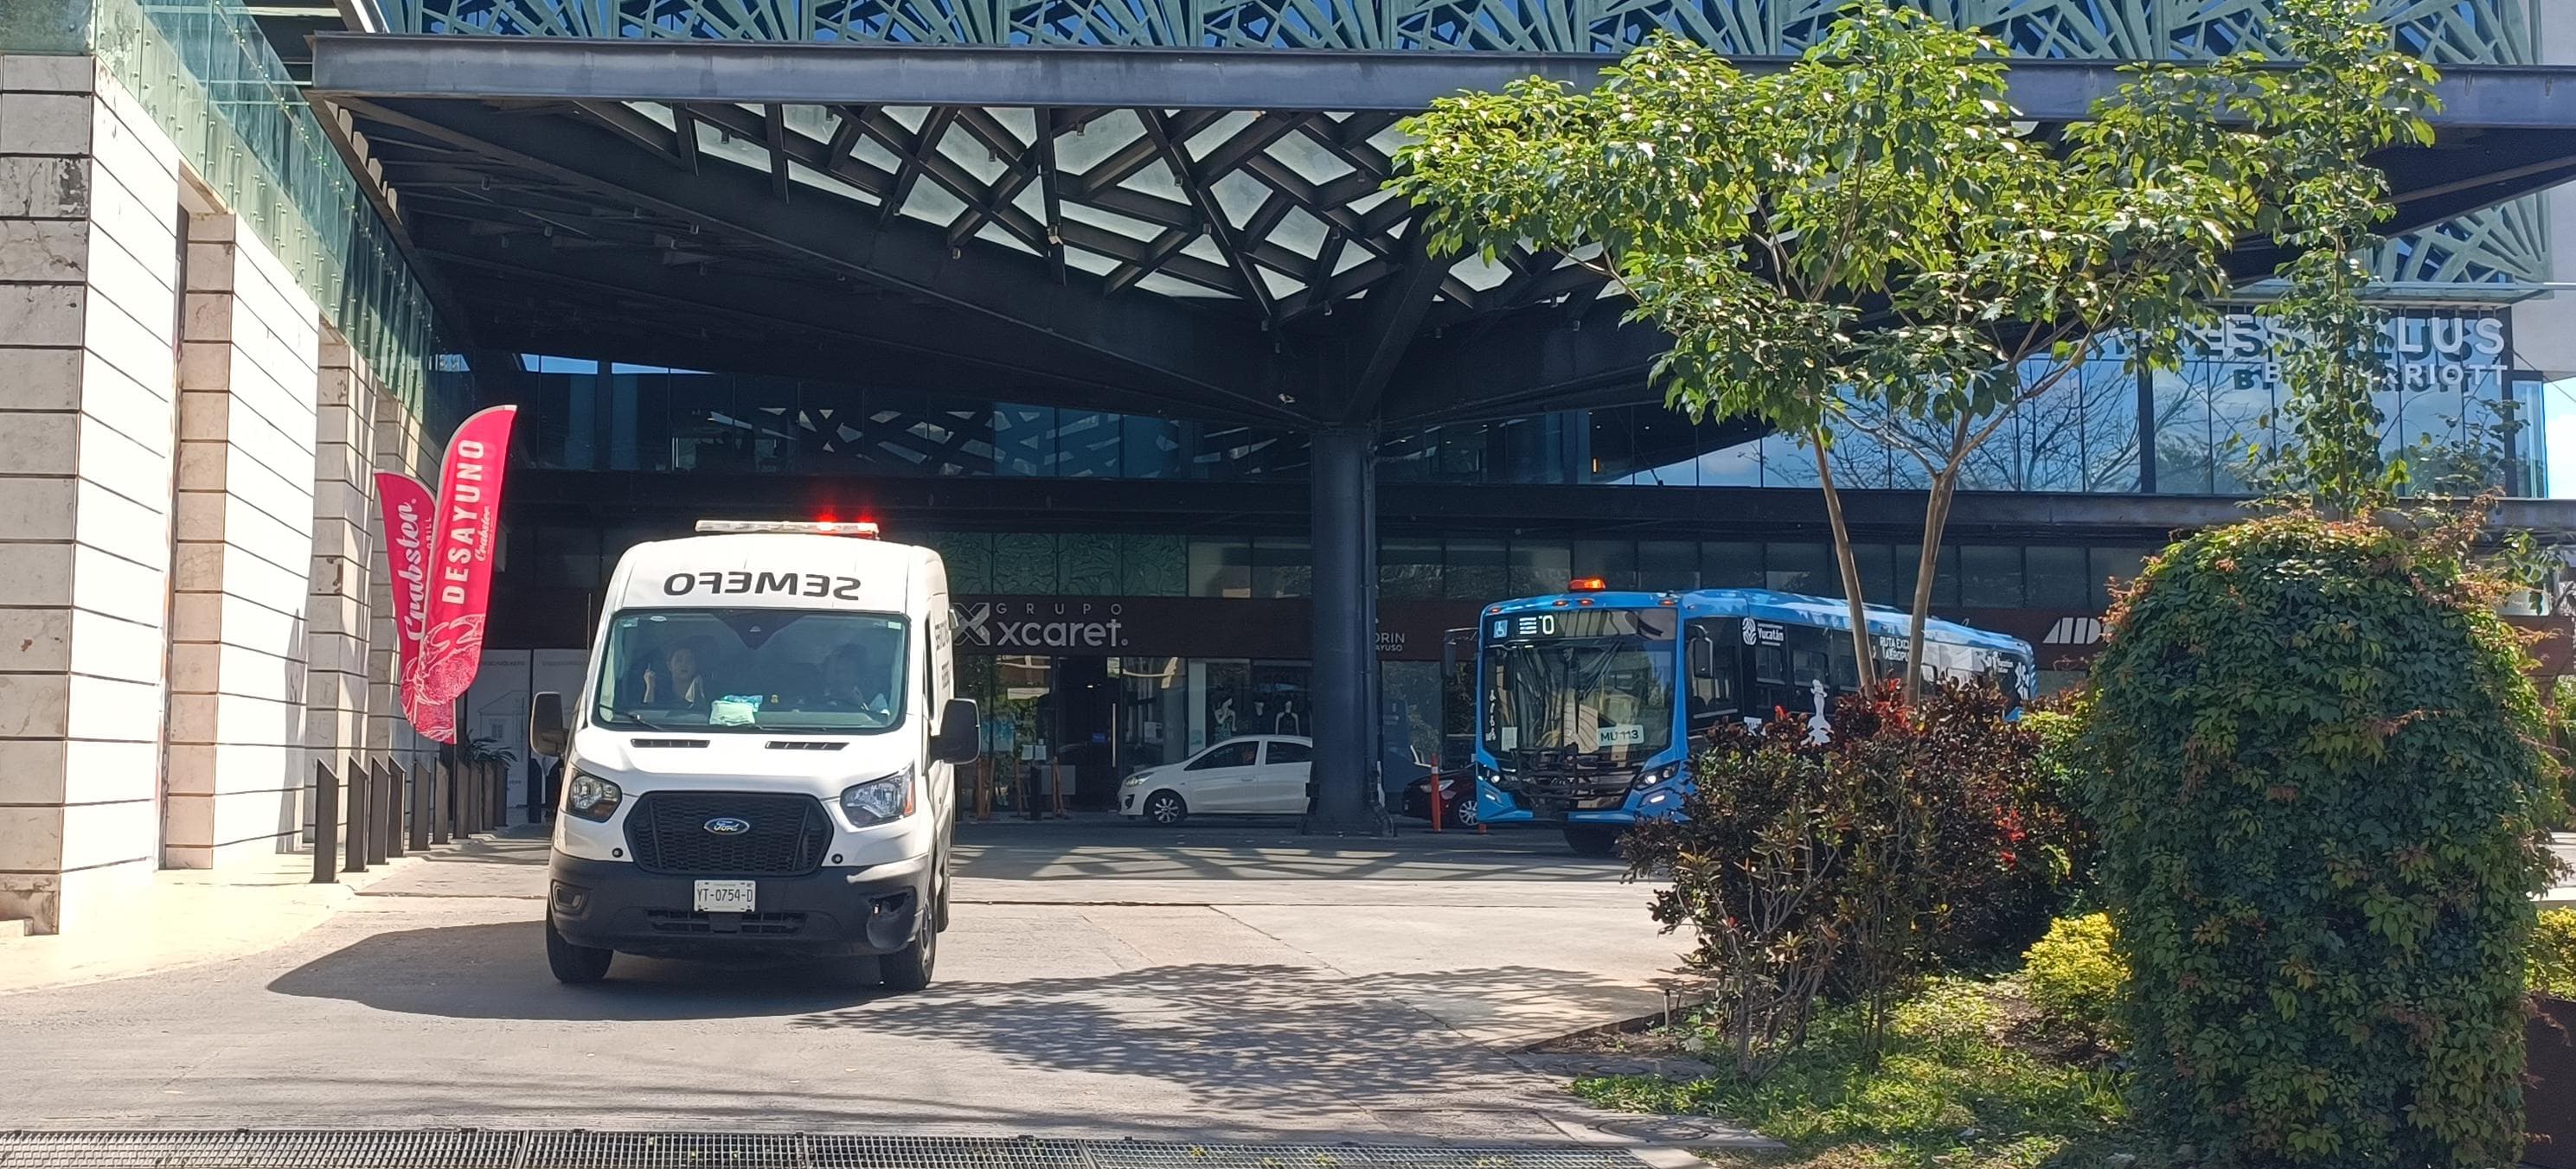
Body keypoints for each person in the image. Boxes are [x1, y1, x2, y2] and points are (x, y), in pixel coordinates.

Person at [811, 642, 893, 716]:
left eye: (846, 671)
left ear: (857, 675)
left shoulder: (873, 698)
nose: (839, 676)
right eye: (836, 671)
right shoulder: (814, 695)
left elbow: (883, 720)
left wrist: (860, 705)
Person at [641, 639, 714, 708]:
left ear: (695, 666)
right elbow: (648, 713)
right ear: (669, 666)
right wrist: (650, 687)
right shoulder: (661, 695)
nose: (684, 664)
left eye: (689, 660)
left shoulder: (707, 694)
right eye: (679, 660)